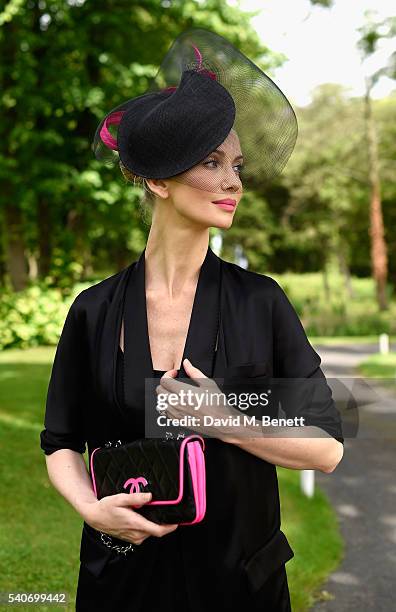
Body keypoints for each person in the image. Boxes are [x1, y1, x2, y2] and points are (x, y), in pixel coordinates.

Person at [40, 27, 344, 611]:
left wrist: (224, 418)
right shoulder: (93, 311)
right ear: (158, 179)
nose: (234, 181)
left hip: (239, 586)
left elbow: (328, 446)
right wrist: (89, 508)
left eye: (237, 164)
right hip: (121, 583)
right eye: (212, 162)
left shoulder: (262, 302)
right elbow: (59, 443)